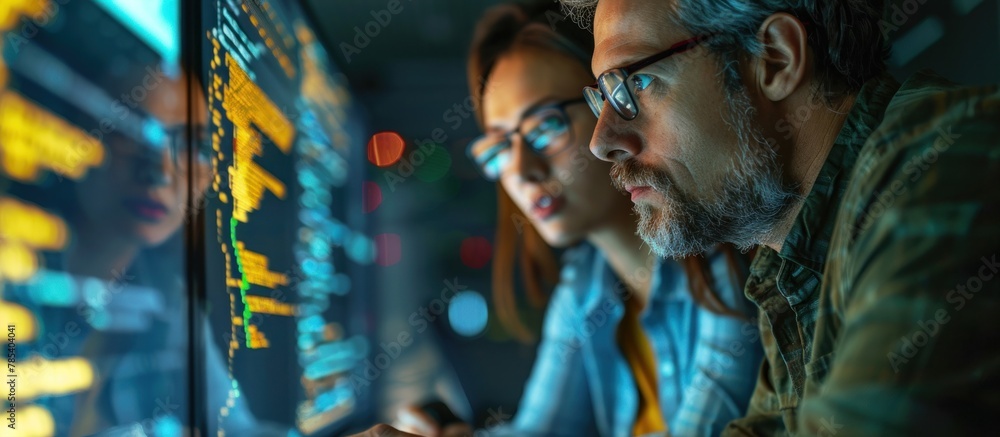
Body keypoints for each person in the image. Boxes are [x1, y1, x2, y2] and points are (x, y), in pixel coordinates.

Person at [556, 0, 1000, 434]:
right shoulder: (789, 261)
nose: (601, 141)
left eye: (636, 83)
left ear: (776, 59)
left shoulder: (947, 165)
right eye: (604, 96)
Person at [358, 2, 762, 436]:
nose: (522, 170)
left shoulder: (728, 269)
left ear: (613, 102)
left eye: (546, 127)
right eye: (500, 148)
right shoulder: (587, 286)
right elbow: (541, 430)